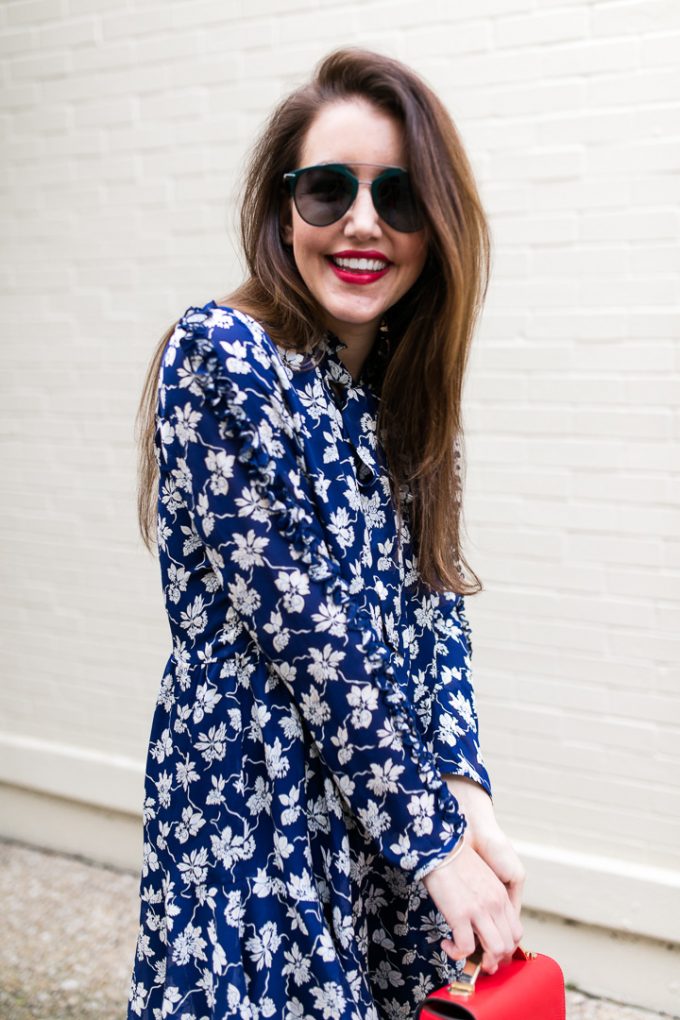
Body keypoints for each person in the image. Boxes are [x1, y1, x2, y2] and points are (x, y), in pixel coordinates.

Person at [129, 47, 525, 1020]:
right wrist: (433, 839)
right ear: (282, 208)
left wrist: (465, 793)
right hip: (254, 811)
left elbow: (434, 618)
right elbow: (315, 644)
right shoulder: (222, 357)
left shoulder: (409, 402)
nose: (360, 222)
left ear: (434, 227)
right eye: (326, 191)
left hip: (380, 808)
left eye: (397, 196)